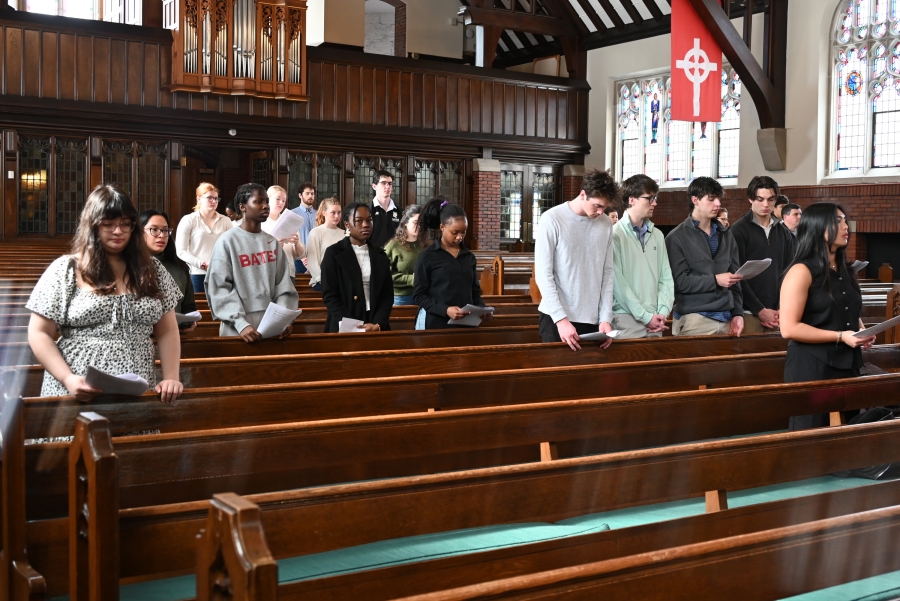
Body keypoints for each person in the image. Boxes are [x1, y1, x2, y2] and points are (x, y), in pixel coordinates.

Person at [26, 184, 183, 402]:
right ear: (93, 226)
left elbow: (167, 330)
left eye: (125, 224)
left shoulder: (152, 269)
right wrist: (67, 378)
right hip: (76, 386)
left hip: (135, 387)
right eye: (108, 224)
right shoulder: (66, 269)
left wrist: (171, 377)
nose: (118, 231)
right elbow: (39, 332)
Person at [779, 203, 876, 430]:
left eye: (845, 220)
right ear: (818, 226)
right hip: (812, 365)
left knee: (848, 434)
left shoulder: (846, 270)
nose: (845, 226)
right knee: (812, 436)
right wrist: (841, 336)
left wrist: (862, 331)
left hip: (847, 362)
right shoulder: (801, 271)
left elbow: (849, 308)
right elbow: (789, 328)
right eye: (837, 221)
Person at [534, 169, 617, 351]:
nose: (601, 211)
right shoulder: (552, 219)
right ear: (583, 194)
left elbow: (607, 273)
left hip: (594, 321)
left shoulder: (605, 223)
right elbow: (543, 275)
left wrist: (606, 318)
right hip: (556, 319)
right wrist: (561, 320)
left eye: (605, 207)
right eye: (597, 205)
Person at [206, 183, 299, 341]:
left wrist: (283, 319)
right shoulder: (227, 241)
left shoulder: (272, 243)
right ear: (242, 207)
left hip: (271, 323)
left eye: (267, 202)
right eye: (258, 201)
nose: (265, 206)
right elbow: (219, 286)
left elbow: (284, 285)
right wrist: (240, 323)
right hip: (238, 325)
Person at [665, 176, 744, 337]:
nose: (718, 204)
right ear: (695, 200)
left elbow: (735, 281)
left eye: (719, 198)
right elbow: (679, 282)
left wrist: (738, 313)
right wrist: (715, 280)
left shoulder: (727, 235)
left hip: (727, 319)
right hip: (694, 319)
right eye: (711, 199)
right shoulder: (676, 237)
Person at [730, 176, 796, 334]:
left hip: (778, 314)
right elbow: (736, 276)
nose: (766, 205)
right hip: (748, 312)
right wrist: (759, 309)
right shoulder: (738, 230)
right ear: (750, 199)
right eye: (760, 199)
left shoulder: (784, 233)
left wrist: (782, 307)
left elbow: (789, 273)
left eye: (770, 199)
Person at [612, 174, 674, 339]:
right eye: (649, 198)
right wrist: (645, 317)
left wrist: (663, 311)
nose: (654, 203)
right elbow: (619, 285)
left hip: (656, 318)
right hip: (627, 317)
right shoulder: (615, 234)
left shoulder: (658, 235)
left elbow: (666, 278)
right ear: (632, 199)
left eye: (655, 198)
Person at [414, 197, 487, 330]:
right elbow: (420, 296)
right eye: (455, 232)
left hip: (466, 325)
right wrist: (445, 310)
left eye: (463, 232)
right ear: (442, 227)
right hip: (437, 324)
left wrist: (482, 308)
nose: (460, 237)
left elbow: (474, 292)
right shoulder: (427, 256)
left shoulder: (469, 257)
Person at [321, 203, 393, 332]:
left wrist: (378, 324)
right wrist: (352, 325)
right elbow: (330, 295)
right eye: (359, 221)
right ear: (347, 225)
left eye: (369, 220)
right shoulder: (334, 253)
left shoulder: (380, 255)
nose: (366, 225)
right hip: (344, 323)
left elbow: (387, 295)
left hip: (374, 322)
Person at [141, 209, 197, 331]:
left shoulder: (179, 267)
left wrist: (189, 321)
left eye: (165, 230)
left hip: (173, 335)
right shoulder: (128, 266)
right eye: (154, 229)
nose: (161, 235)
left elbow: (188, 306)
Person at [175, 183, 232, 293]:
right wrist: (202, 264)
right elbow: (181, 251)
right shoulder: (189, 220)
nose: (214, 201)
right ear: (199, 198)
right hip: (197, 273)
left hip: (221, 272)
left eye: (216, 198)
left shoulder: (226, 220)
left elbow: (232, 247)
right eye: (210, 198)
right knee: (199, 303)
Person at [262, 185, 305, 282]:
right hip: (267, 273)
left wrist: (296, 244)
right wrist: (273, 246)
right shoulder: (260, 222)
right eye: (278, 199)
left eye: (284, 200)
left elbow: (300, 255)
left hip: (288, 273)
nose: (281, 203)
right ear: (268, 199)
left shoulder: (289, 221)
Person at [384, 205, 423, 305]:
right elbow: (384, 274)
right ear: (405, 223)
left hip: (423, 296)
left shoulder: (425, 245)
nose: (419, 226)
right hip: (401, 298)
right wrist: (411, 279)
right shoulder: (393, 246)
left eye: (421, 223)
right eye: (415, 222)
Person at [306, 197, 345, 291]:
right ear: (324, 213)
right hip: (322, 281)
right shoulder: (316, 232)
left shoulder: (344, 234)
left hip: (341, 281)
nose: (337, 216)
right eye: (333, 212)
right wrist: (321, 279)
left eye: (339, 212)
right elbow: (312, 261)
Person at [290, 181, 317, 274]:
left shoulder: (319, 214)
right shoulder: (292, 214)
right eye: (307, 193)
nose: (310, 196)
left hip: (317, 258)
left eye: (312, 193)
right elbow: (290, 237)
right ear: (300, 195)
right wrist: (302, 257)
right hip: (299, 259)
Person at [369, 169, 400, 248]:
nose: (387, 186)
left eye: (390, 183)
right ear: (374, 186)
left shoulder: (400, 211)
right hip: (374, 253)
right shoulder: (367, 210)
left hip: (394, 254)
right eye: (383, 183)